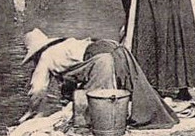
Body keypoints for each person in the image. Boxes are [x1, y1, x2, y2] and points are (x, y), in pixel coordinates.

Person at [21, 27, 177, 129]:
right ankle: (144, 113)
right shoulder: (65, 44)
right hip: (113, 48)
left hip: (101, 57)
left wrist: (33, 112)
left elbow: (38, 89)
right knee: (136, 91)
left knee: (101, 109)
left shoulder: (45, 57)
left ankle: (112, 122)